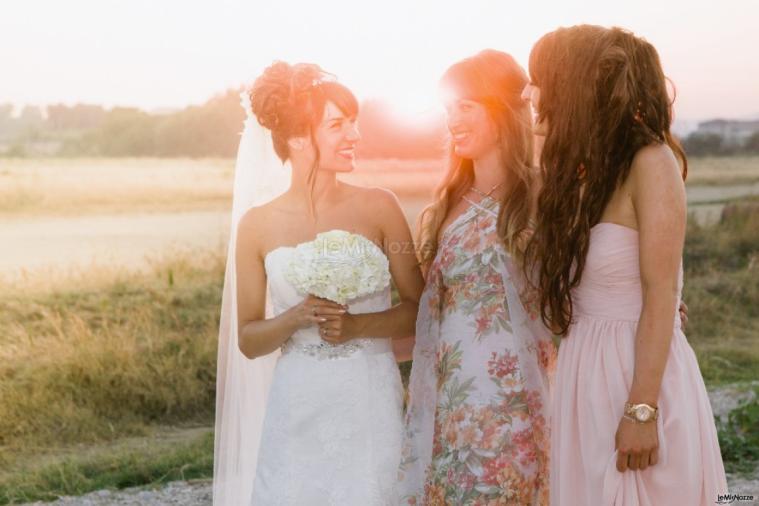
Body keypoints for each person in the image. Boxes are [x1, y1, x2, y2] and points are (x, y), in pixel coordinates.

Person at [522, 25, 728, 505]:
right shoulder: (577, 175)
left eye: (542, 79)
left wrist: (641, 410)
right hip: (582, 372)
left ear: (573, 85)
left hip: (638, 375)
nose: (532, 93)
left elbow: (662, 293)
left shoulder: (650, 162)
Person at [213, 61, 424, 505]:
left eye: (354, 123)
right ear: (296, 138)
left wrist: (358, 328)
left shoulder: (379, 207)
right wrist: (296, 316)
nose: (354, 136)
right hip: (298, 403)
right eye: (338, 125)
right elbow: (250, 341)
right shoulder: (256, 226)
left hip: (369, 399)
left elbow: (419, 310)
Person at [399, 49, 555, 505]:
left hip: (519, 401)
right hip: (453, 405)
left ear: (504, 110)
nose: (452, 121)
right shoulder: (445, 206)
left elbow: (581, 284)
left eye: (465, 106)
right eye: (448, 109)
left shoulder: (545, 195)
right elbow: (430, 311)